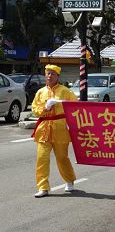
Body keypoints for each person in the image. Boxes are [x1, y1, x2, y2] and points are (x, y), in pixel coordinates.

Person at [31, 64, 78, 198]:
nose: (49, 76)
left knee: (62, 158)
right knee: (42, 158)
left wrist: (61, 104)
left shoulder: (66, 91)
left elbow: (74, 106)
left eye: (52, 74)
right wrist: (45, 107)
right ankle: (43, 187)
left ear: (58, 76)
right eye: (48, 73)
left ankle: (69, 180)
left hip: (60, 127)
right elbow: (35, 109)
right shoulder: (40, 92)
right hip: (44, 127)